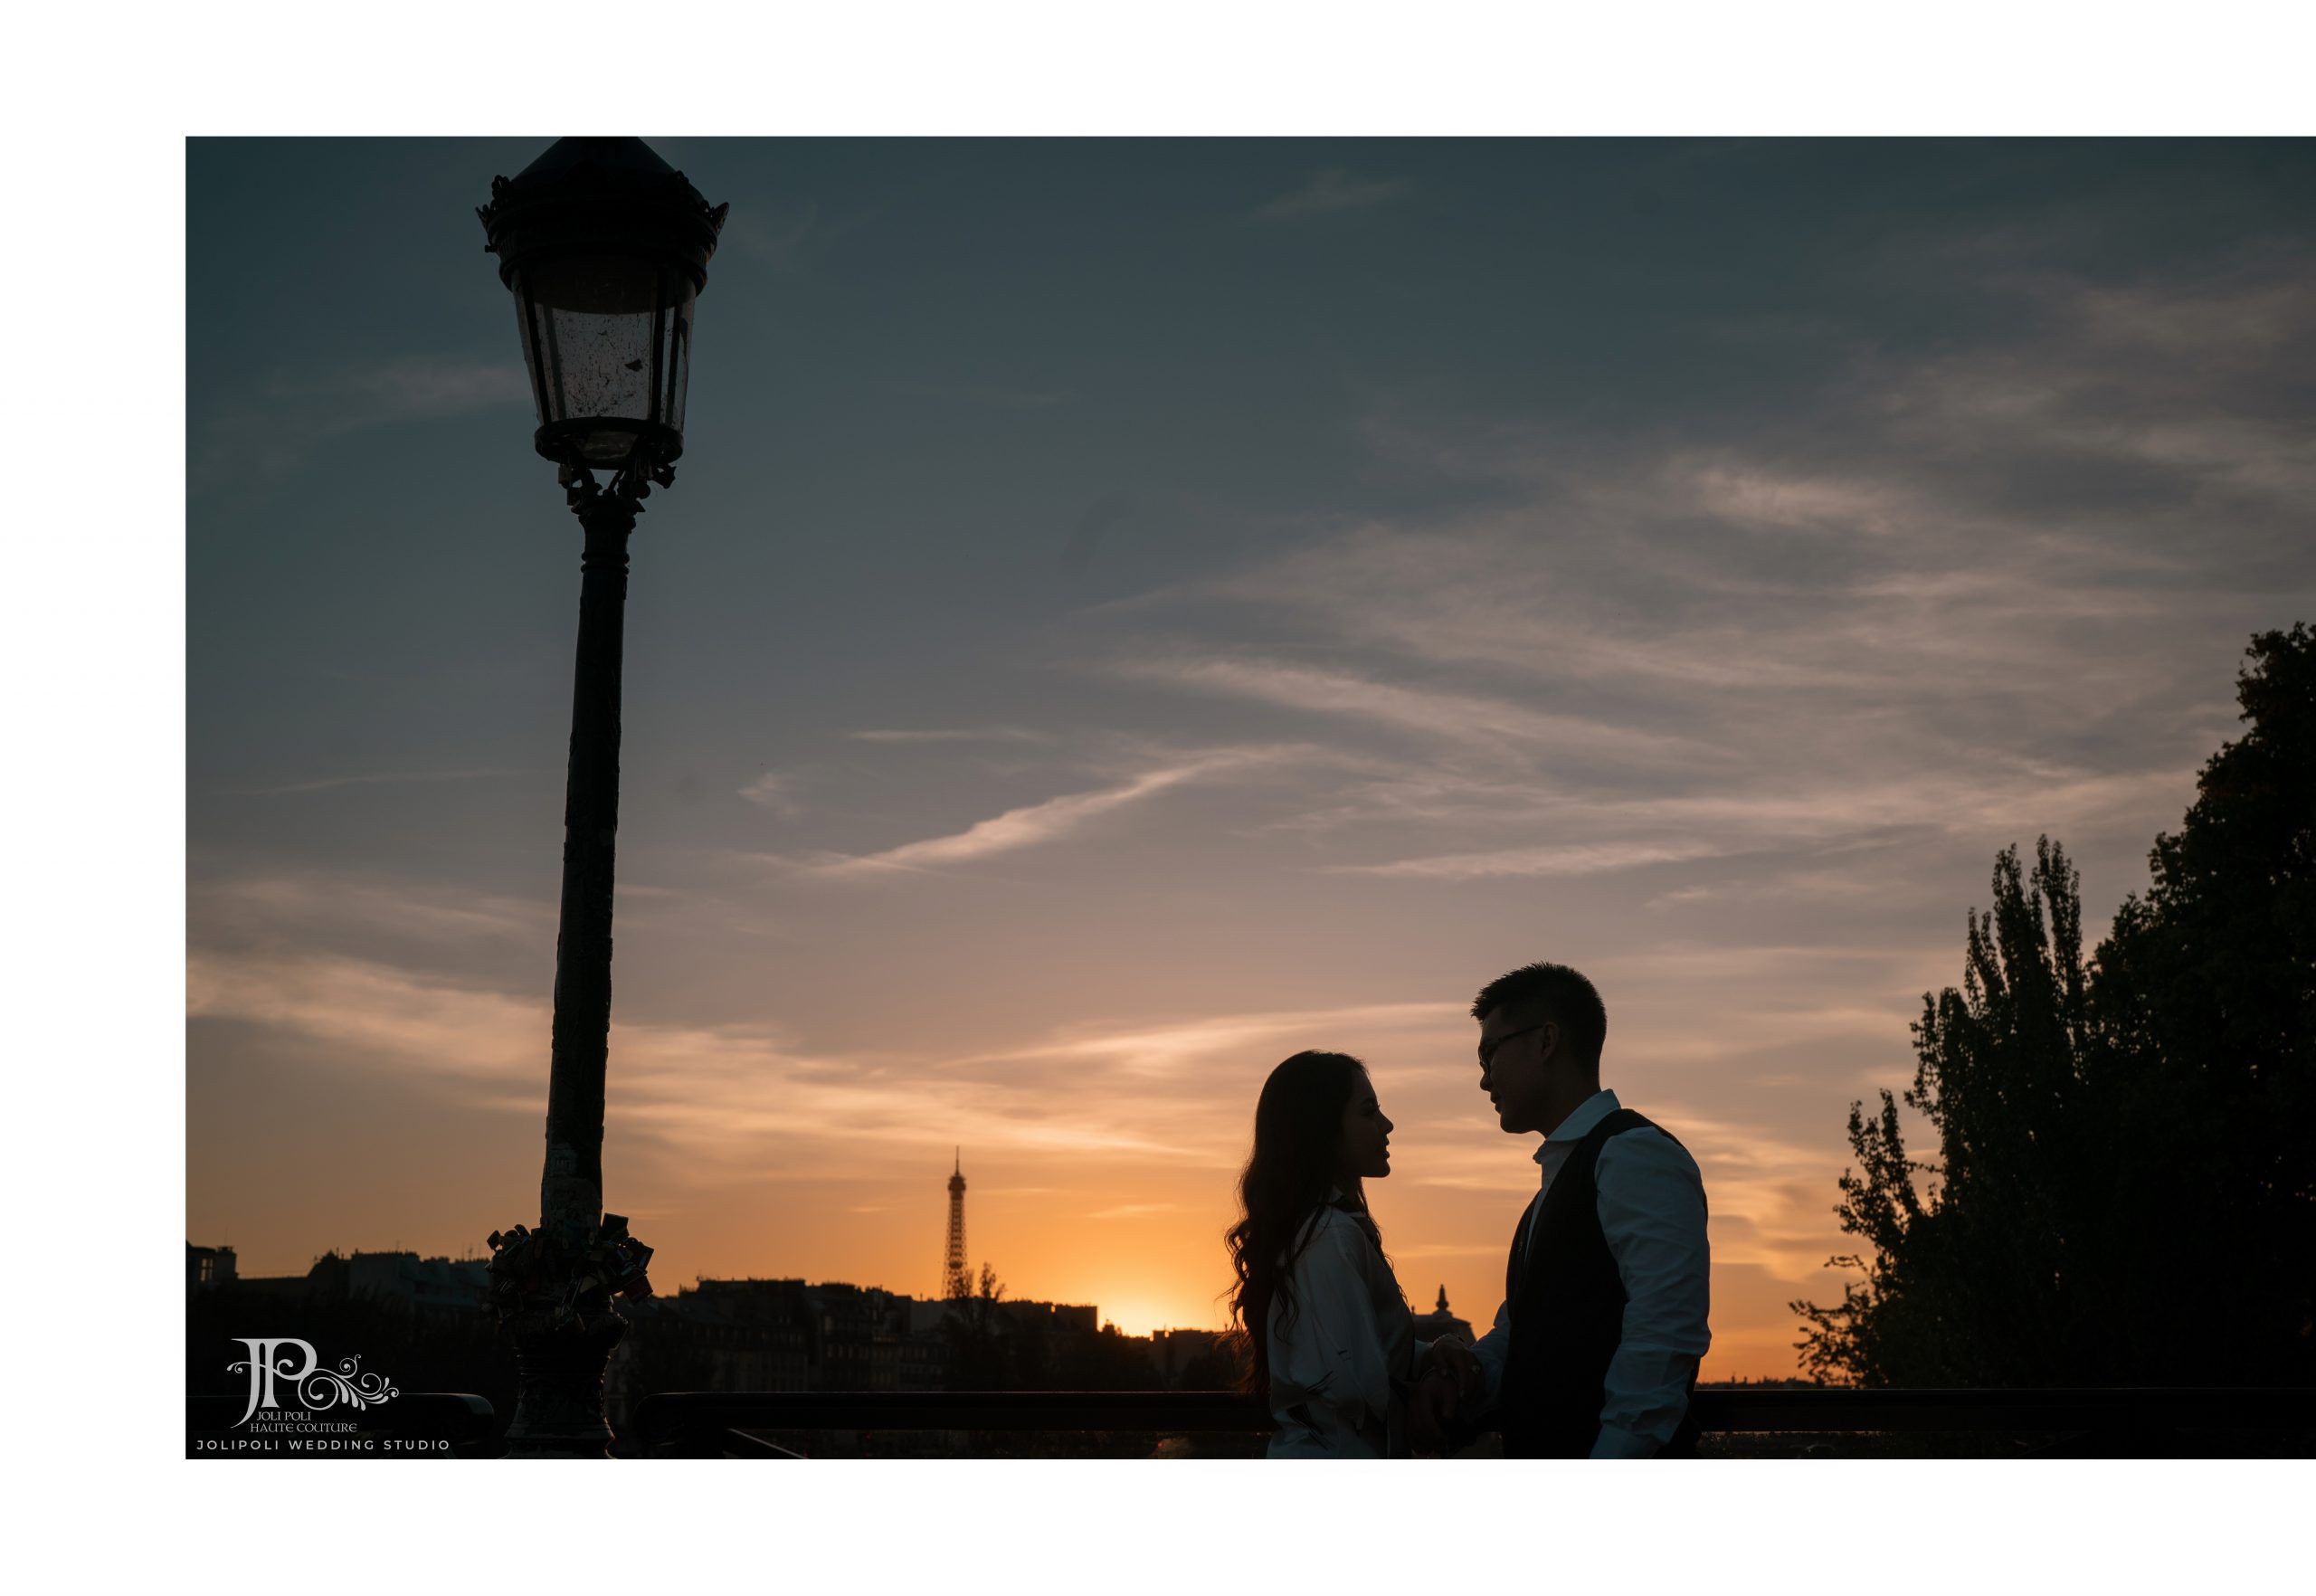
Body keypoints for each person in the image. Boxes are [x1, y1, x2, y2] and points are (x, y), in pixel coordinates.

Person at [1412, 962, 1711, 1458]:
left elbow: (1665, 1331)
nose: (1484, 1080)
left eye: (1489, 1053)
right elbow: (1526, 1330)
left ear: (1546, 1040)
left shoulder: (1634, 1154)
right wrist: (1470, 1374)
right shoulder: (1565, 1180)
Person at [1225, 1050, 1450, 1457]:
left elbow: (1352, 1352)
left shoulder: (1320, 1230)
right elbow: (1358, 1383)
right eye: (1368, 1112)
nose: (1386, 1125)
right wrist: (1432, 1386)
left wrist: (1432, 1354)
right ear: (1323, 1131)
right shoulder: (1330, 1236)